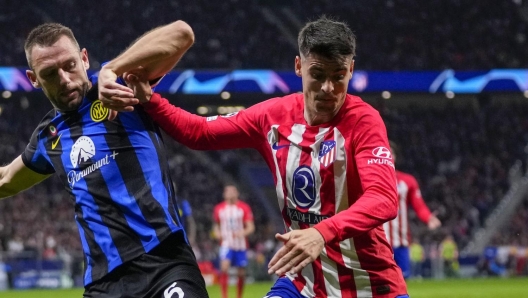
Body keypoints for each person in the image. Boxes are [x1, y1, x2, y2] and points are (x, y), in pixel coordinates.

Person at [102, 16, 409, 298]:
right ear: (299, 66)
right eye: (318, 75)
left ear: (351, 70)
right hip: (303, 284)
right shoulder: (273, 116)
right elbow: (200, 133)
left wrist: (321, 232)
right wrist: (151, 100)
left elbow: (383, 198)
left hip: (369, 283)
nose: (328, 88)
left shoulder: (364, 121)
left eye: (339, 76)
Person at [0, 21, 210, 297]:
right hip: (103, 284)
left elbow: (182, 34)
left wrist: (113, 68)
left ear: (84, 58)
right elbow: (6, 180)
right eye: (50, 73)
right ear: (33, 79)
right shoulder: (47, 137)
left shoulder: (119, 85)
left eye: (70, 65)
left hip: (165, 262)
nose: (64, 79)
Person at [383, 142, 441, 278]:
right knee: (381, 282)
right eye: (385, 152)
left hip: (401, 240)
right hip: (379, 241)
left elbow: (419, 205)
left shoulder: (407, 181)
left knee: (403, 279)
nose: (388, 155)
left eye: (391, 153)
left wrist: (428, 218)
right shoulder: (367, 178)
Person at [212, 184, 255, 298]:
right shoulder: (219, 208)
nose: (230, 193)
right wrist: (217, 233)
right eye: (228, 191)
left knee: (241, 273)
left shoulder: (244, 207)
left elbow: (250, 227)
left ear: (237, 193)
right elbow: (216, 225)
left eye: (233, 191)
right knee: (224, 267)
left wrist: (242, 233)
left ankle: (239, 296)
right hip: (226, 243)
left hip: (240, 245)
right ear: (224, 194)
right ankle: (224, 296)